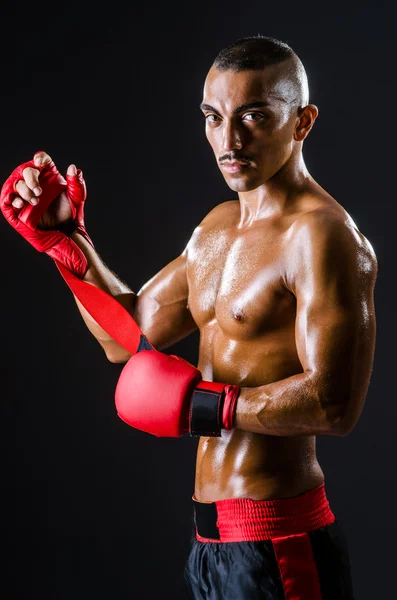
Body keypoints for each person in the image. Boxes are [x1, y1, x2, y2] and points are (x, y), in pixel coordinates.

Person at [1, 35, 377, 599]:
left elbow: (335, 403)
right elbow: (126, 338)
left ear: (301, 122)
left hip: (281, 544)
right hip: (208, 547)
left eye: (253, 116)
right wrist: (67, 241)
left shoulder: (322, 236)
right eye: (213, 117)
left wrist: (207, 406)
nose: (229, 139)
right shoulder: (216, 229)